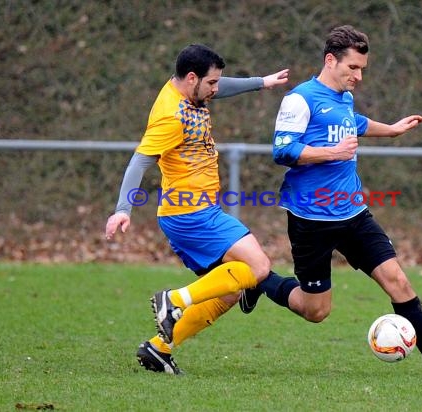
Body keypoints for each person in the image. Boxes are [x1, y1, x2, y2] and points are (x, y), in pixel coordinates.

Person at [239, 25, 422, 377]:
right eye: (353, 67)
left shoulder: (345, 98)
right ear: (330, 60)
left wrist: (393, 129)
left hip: (354, 214)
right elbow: (282, 150)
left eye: (362, 68)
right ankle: (259, 281)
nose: (359, 76)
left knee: (398, 281)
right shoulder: (299, 99)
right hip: (311, 220)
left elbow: (355, 123)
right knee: (315, 311)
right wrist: (331, 152)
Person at [105, 43, 290, 374]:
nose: (217, 89)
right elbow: (138, 162)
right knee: (259, 267)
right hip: (190, 214)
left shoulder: (189, 91)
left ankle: (159, 349)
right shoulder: (171, 117)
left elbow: (220, 86)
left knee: (229, 290)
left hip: (194, 213)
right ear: (192, 79)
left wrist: (262, 82)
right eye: (212, 83)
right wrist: (123, 209)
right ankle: (173, 301)